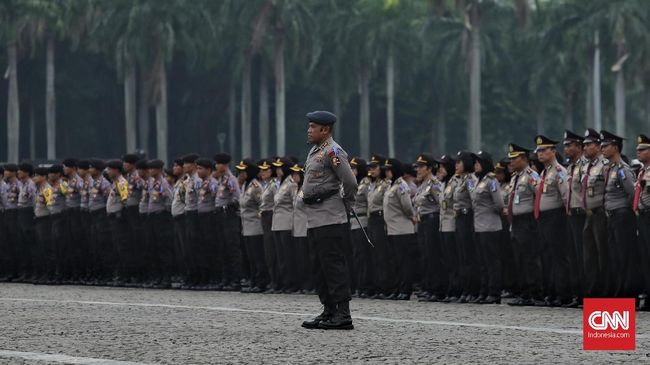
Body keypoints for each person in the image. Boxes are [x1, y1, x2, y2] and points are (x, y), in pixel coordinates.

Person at [300, 110, 357, 330]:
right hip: (314, 217)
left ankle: (343, 314)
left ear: (325, 130)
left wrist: (347, 204)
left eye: (313, 127)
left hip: (330, 217)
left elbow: (350, 182)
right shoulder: (315, 151)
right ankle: (328, 310)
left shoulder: (333, 151)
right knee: (319, 267)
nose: (309, 130)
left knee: (333, 266)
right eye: (309, 126)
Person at [533, 135, 571, 307]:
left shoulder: (559, 171)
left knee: (558, 256)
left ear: (553, 151)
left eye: (543, 150)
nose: (540, 154)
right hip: (544, 219)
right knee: (547, 256)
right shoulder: (544, 172)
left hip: (556, 217)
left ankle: (562, 293)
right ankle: (551, 291)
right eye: (538, 151)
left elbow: (566, 196)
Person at [506, 144, 543, 306]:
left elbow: (539, 197)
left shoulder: (531, 175)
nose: (512, 161)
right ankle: (524, 292)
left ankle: (535, 293)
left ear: (524, 159)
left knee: (530, 258)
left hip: (528, 221)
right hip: (517, 221)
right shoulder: (515, 177)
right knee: (518, 258)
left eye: (515, 158)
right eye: (511, 158)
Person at [600, 130, 637, 298]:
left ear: (615, 147)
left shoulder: (622, 169)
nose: (603, 149)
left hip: (622, 216)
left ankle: (628, 292)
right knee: (614, 256)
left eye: (606, 146)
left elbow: (632, 193)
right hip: (612, 217)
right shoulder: (609, 168)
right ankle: (619, 290)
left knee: (624, 256)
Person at [470, 151, 504, 304]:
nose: (475, 165)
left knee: (492, 262)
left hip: (490, 227)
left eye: (478, 162)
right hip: (479, 227)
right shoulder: (479, 180)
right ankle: (484, 291)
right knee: (482, 262)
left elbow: (499, 204)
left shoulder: (491, 180)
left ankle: (494, 292)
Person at [580, 128, 610, 298]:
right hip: (588, 215)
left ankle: (605, 291)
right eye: (584, 145)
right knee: (589, 256)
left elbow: (609, 190)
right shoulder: (587, 166)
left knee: (602, 255)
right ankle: (592, 291)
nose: (585, 148)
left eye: (589, 144)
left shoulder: (604, 165)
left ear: (598, 146)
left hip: (600, 214)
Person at [383, 158, 417, 300]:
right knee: (395, 261)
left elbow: (407, 206)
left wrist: (412, 216)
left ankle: (405, 289)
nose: (387, 172)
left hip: (402, 229)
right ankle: (397, 288)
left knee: (404, 262)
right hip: (392, 229)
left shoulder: (401, 185)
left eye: (389, 169)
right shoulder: (391, 185)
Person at [412, 153, 444, 302]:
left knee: (432, 256)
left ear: (430, 168)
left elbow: (441, 203)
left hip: (432, 221)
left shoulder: (434, 183)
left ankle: (436, 289)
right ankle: (428, 287)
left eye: (421, 167)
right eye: (417, 167)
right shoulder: (423, 184)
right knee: (425, 256)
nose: (418, 170)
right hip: (423, 222)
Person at [237, 158, 269, 293]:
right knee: (250, 258)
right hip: (246, 227)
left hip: (256, 227)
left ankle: (261, 282)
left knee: (258, 257)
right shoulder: (246, 186)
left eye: (243, 172)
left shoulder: (256, 187)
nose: (240, 175)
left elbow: (262, 203)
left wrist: (259, 215)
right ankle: (253, 280)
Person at [563, 130, 586, 306]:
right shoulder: (569, 167)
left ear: (579, 147)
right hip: (571, 215)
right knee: (573, 256)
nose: (566, 149)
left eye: (569, 145)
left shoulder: (586, 166)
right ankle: (577, 293)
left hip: (582, 214)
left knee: (584, 256)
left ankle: (586, 293)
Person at [453, 150, 480, 303]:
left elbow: (474, 200)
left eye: (459, 162)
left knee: (469, 256)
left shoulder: (470, 180)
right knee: (462, 256)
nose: (456, 165)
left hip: (467, 217)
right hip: (459, 218)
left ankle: (472, 289)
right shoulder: (461, 180)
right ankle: (466, 289)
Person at [214, 153, 242, 290]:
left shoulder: (231, 179)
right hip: (221, 216)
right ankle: (226, 278)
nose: (216, 166)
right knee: (222, 248)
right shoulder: (221, 179)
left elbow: (237, 197)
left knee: (232, 248)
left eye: (218, 163)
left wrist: (229, 208)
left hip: (229, 216)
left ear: (224, 165)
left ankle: (235, 280)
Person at [272, 157, 299, 293]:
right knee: (280, 255)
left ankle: (291, 283)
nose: (277, 170)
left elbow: (295, 204)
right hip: (277, 223)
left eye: (279, 167)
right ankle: (283, 282)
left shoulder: (291, 183)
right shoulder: (279, 183)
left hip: (287, 222)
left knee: (288, 256)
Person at [366, 154, 390, 298]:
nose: (372, 170)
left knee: (382, 255)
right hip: (372, 220)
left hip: (381, 219)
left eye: (375, 167)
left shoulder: (386, 184)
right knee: (374, 255)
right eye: (370, 167)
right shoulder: (372, 184)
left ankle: (385, 287)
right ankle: (377, 286)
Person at [349, 157, 374, 298]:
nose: (352, 171)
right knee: (357, 256)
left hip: (362, 221)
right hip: (353, 221)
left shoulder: (366, 183)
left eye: (354, 168)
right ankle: (360, 284)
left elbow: (370, 202)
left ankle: (367, 285)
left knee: (364, 256)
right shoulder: (352, 183)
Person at [106, 160, 130, 285]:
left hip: (118, 219)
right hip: (113, 218)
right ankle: (119, 273)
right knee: (116, 246)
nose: (108, 172)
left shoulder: (121, 183)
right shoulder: (114, 183)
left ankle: (124, 274)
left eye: (110, 169)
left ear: (116, 170)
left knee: (121, 247)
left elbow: (125, 201)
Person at [290, 163, 313, 293]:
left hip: (305, 228)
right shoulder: (297, 189)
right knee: (300, 259)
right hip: (297, 229)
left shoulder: (306, 189)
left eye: (296, 174)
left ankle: (309, 284)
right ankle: (302, 283)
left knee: (306, 259)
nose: (294, 176)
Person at [259, 158, 280, 293]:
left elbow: (277, 202)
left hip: (271, 216)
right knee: (268, 250)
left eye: (265, 170)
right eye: (261, 170)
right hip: (265, 217)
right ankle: (272, 280)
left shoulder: (274, 185)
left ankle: (276, 281)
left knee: (272, 250)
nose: (262, 172)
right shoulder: (266, 184)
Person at [634, 134, 650, 310]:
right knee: (644, 257)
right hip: (642, 217)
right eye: (638, 150)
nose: (639, 152)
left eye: (643, 149)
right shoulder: (641, 171)